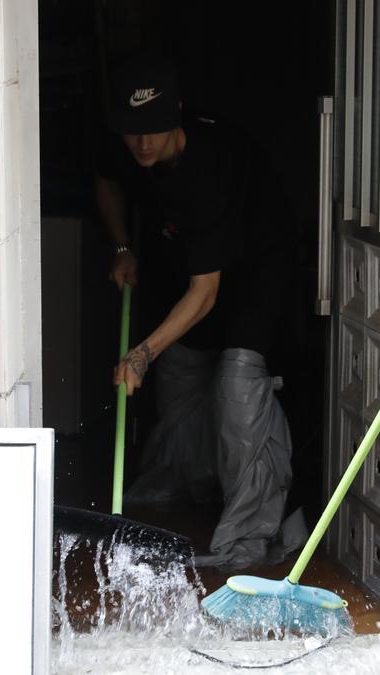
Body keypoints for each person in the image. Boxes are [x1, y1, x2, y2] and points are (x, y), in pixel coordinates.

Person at [95, 58, 304, 567]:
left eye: (155, 131)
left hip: (257, 268)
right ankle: (186, 484)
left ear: (178, 120)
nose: (143, 143)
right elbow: (107, 181)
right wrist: (122, 247)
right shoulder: (131, 146)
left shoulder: (209, 168)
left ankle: (248, 538)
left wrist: (141, 352)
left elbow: (205, 294)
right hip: (192, 264)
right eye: (133, 133)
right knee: (181, 373)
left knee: (237, 384)